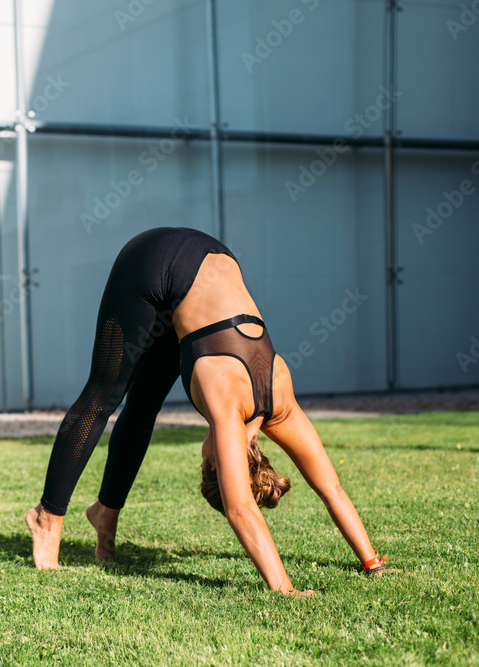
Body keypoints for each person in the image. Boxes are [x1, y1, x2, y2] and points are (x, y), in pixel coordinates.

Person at [26, 227, 394, 595]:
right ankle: (47, 517)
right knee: (102, 396)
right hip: (150, 261)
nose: (202, 456)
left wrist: (372, 561)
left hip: (208, 255)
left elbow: (333, 490)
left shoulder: (279, 402)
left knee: (143, 406)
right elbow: (241, 510)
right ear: (216, 464)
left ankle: (104, 513)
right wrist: (285, 589)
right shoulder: (226, 405)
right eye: (204, 465)